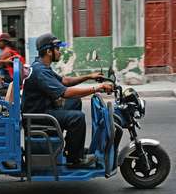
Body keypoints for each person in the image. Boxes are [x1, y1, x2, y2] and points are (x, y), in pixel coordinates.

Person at [21, 33, 113, 168]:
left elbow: (64, 81)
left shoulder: (41, 66)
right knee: (77, 118)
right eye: (57, 49)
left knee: (75, 101)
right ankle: (75, 159)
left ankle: (72, 148)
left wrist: (89, 76)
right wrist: (97, 88)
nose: (60, 52)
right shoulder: (40, 71)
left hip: (41, 110)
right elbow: (65, 92)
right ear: (48, 51)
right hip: (37, 117)